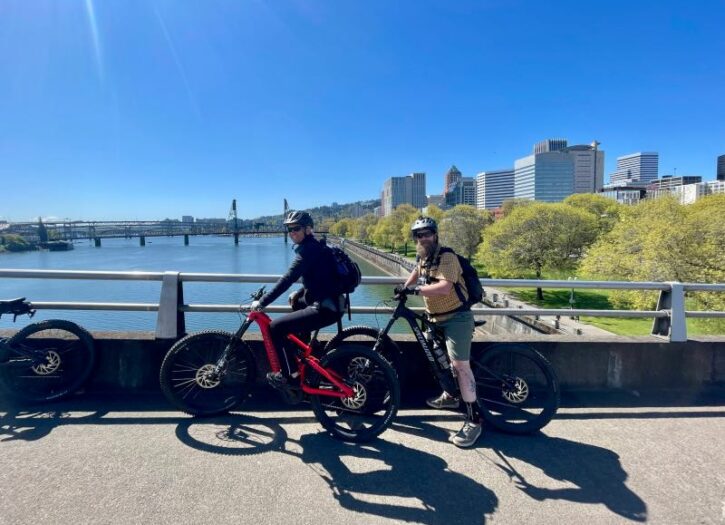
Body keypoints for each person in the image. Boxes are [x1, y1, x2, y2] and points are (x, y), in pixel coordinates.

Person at [396, 216, 482, 448]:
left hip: (457, 319)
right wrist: (404, 287)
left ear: (435, 234)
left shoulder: (447, 257)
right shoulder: (424, 257)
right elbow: (417, 270)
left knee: (459, 366)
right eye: (418, 235)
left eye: (427, 233)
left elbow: (444, 288)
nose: (423, 238)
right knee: (436, 359)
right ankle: (451, 397)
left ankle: (474, 420)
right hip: (434, 319)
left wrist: (414, 291)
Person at [251, 210, 344, 386]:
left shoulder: (308, 250)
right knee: (298, 303)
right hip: (331, 302)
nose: (292, 232)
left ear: (308, 229)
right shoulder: (315, 246)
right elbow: (319, 279)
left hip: (325, 308)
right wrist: (300, 293)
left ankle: (290, 375)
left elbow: (288, 278)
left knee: (275, 328)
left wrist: (262, 302)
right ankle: (308, 354)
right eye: (289, 229)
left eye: (296, 228)